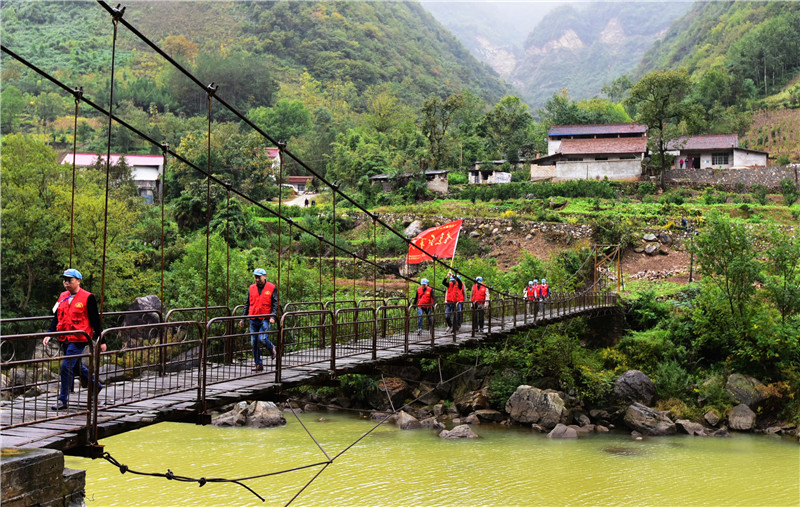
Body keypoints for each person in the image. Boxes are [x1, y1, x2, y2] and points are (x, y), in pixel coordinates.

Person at [43, 269, 106, 411]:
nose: (66, 283)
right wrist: (49, 333)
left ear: (78, 281)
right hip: (65, 337)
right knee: (76, 367)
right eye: (64, 280)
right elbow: (57, 317)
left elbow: (95, 320)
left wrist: (102, 340)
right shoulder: (62, 296)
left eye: (69, 280)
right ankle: (96, 385)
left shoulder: (88, 297)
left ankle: (62, 400)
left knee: (66, 366)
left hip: (79, 338)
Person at [240, 268, 278, 372]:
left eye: (259, 277)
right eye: (255, 277)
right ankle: (258, 364)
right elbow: (247, 303)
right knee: (254, 342)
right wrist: (243, 318)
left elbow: (275, 304)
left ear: (264, 276)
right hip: (253, 318)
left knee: (262, 339)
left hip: (265, 318)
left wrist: (273, 316)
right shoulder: (251, 288)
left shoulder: (272, 287)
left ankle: (271, 347)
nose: (257, 279)